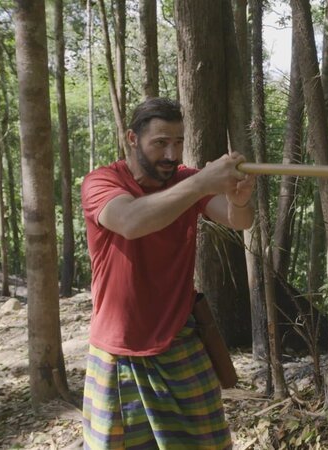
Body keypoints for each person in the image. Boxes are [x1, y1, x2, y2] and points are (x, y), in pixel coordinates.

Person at [80, 98, 254, 449]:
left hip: (180, 339)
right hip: (120, 348)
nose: (172, 154)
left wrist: (238, 199)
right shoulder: (102, 182)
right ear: (132, 138)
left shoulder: (187, 181)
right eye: (160, 142)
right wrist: (201, 183)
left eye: (178, 142)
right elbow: (131, 221)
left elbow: (239, 221)